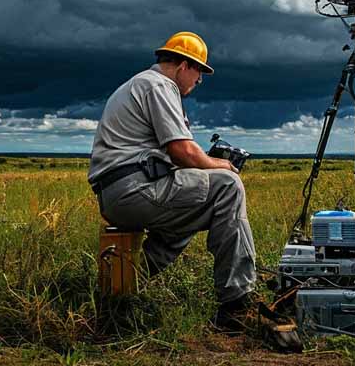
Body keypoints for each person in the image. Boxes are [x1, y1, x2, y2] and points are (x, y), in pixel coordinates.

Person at [89, 31, 257, 331]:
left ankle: (122, 294)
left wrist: (201, 165)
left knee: (190, 213)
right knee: (228, 187)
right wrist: (221, 164)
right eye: (199, 71)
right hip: (135, 189)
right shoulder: (159, 86)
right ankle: (236, 303)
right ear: (183, 65)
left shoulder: (139, 84)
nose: (200, 80)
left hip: (120, 191)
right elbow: (181, 150)